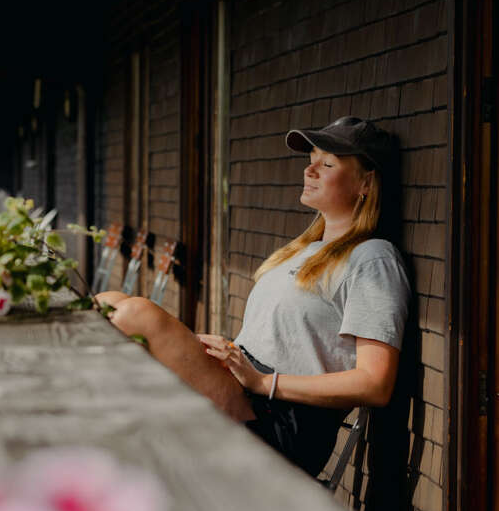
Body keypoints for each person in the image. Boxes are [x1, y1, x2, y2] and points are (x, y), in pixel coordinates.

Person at [96, 116, 410, 477]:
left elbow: (375, 383)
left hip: (280, 421)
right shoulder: (303, 250)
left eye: (327, 164)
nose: (309, 170)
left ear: (365, 183)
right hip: (246, 390)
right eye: (311, 159)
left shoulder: (372, 259)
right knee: (108, 303)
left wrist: (262, 382)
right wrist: (229, 357)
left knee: (136, 315)